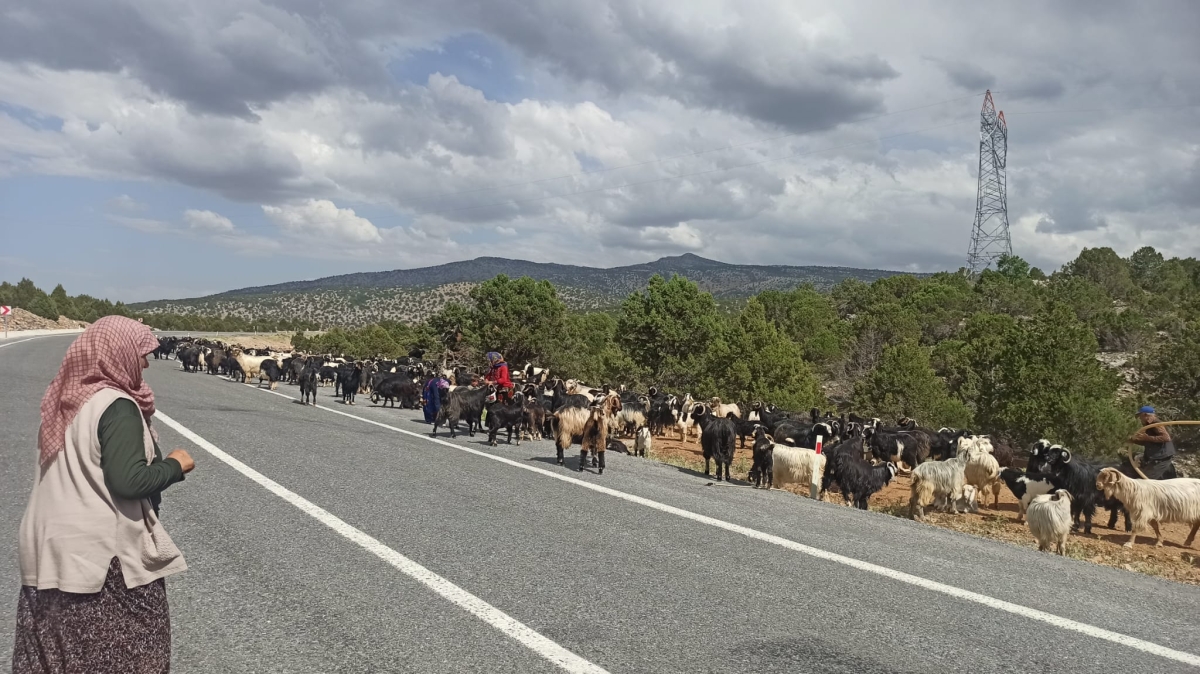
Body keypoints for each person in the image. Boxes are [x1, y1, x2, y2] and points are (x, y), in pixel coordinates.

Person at [14, 315, 196, 674]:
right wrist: (176, 465)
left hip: (47, 553)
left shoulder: (66, 400)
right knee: (130, 655)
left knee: (59, 657)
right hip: (102, 561)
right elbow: (128, 482)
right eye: (141, 353)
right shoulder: (116, 405)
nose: (146, 362)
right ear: (119, 353)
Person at [1127, 405, 1178, 480]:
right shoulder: (1150, 425)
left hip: (1161, 458)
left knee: (1146, 480)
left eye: (1140, 416)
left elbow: (1166, 438)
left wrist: (1146, 437)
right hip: (1157, 458)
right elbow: (1150, 442)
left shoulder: (1156, 424)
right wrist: (1134, 440)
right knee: (1145, 478)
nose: (1140, 419)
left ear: (1146, 415)